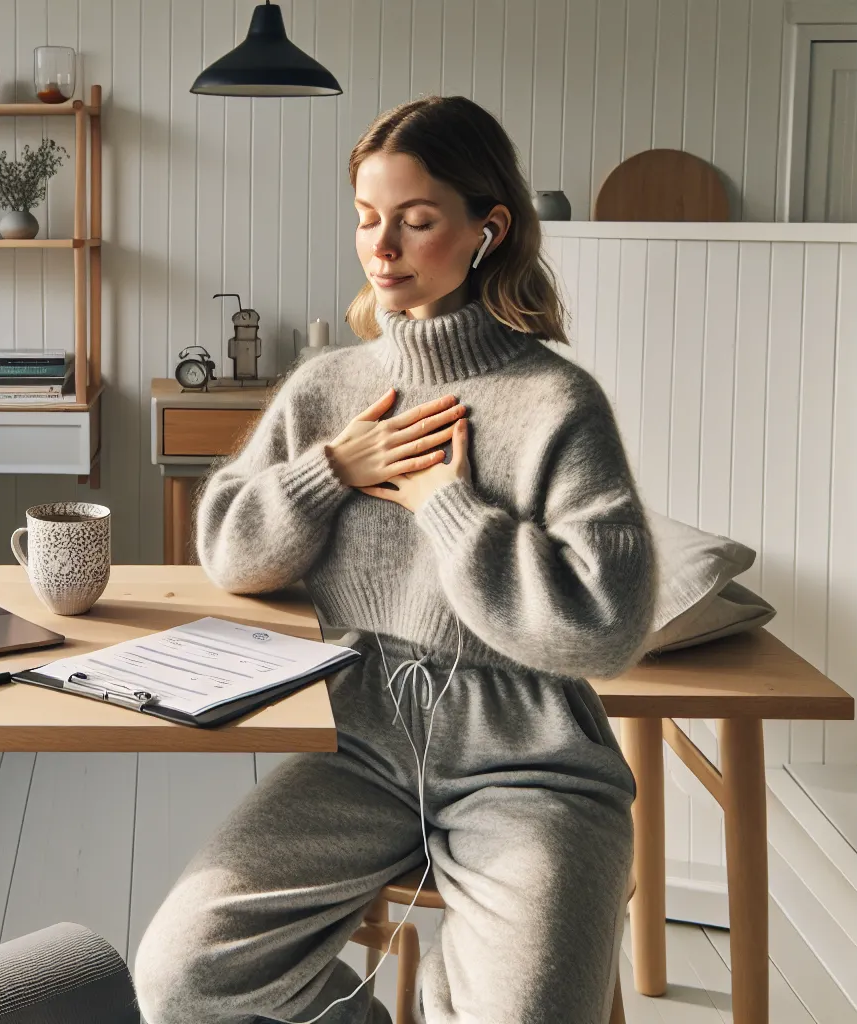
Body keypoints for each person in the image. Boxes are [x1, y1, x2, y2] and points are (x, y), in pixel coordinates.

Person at [130, 96, 658, 1024]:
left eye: (415, 221)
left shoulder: (555, 401)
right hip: (360, 744)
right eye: (367, 218)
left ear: (489, 230)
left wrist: (447, 507)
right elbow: (227, 552)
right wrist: (329, 471)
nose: (381, 247)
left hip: (533, 767)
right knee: (182, 978)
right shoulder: (330, 387)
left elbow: (605, 628)